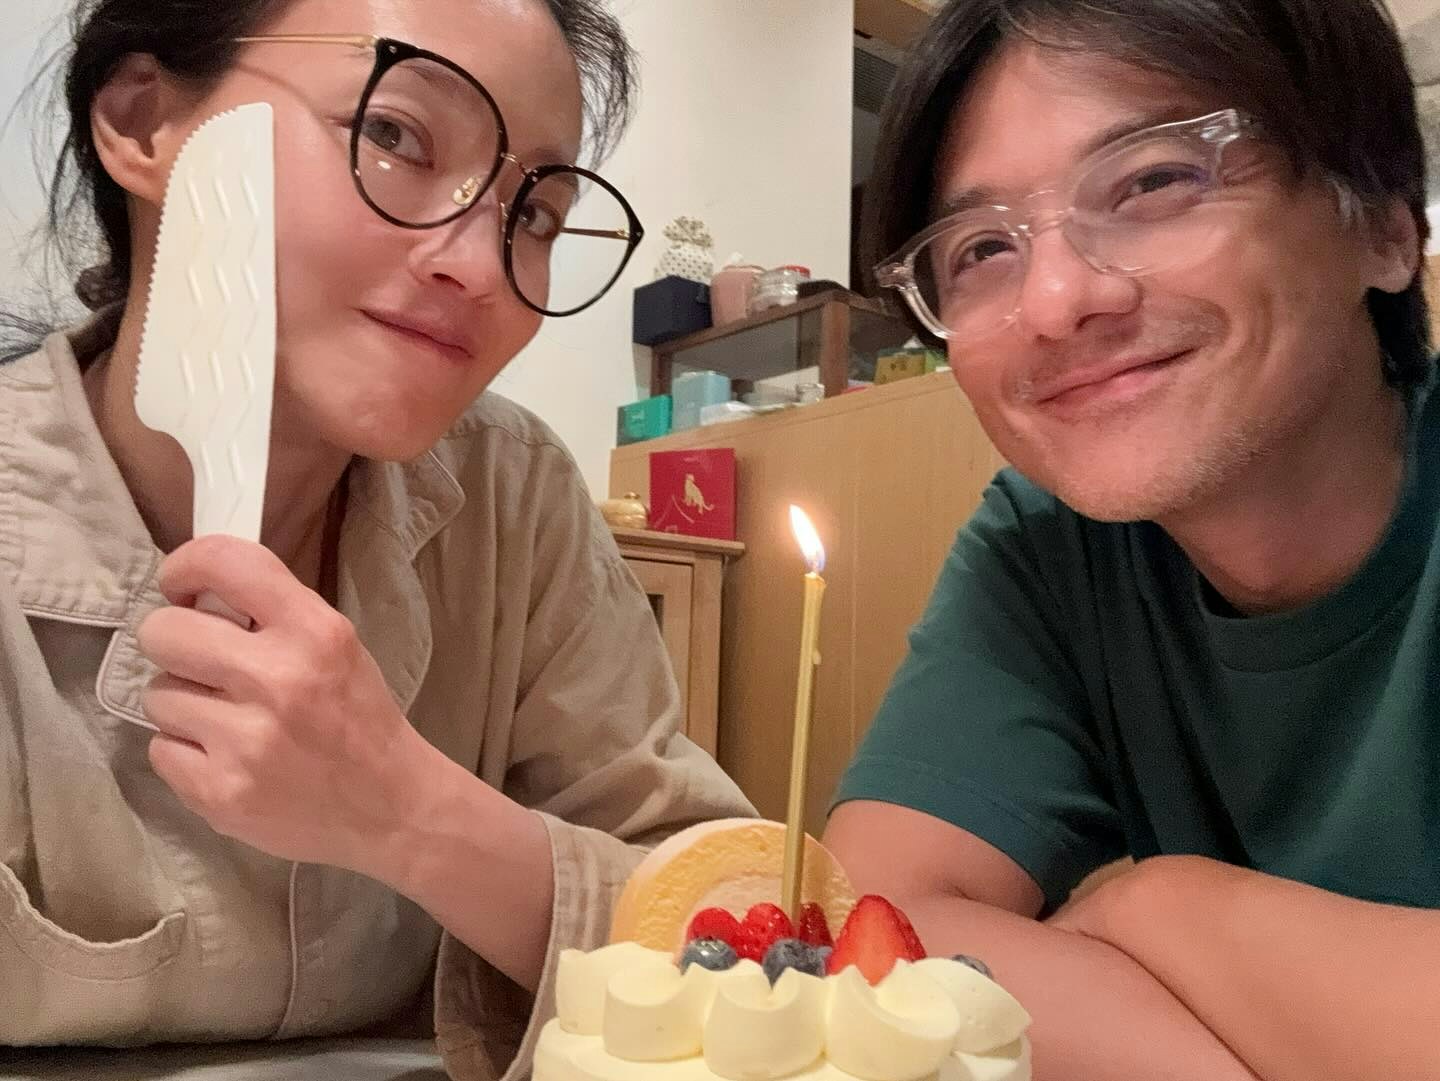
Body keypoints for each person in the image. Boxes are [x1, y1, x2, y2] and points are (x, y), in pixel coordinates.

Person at [0, 1, 751, 1078]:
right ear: (143, 123)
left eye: (536, 215)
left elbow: (734, 925)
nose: (482, 266)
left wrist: (407, 812)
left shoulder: (512, 498)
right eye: (396, 135)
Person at [824, 2, 1439, 1080]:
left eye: (1154, 182)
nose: (1056, 301)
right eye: (982, 249)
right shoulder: (1045, 546)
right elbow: (877, 928)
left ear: (1386, 226)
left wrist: (1160, 908)